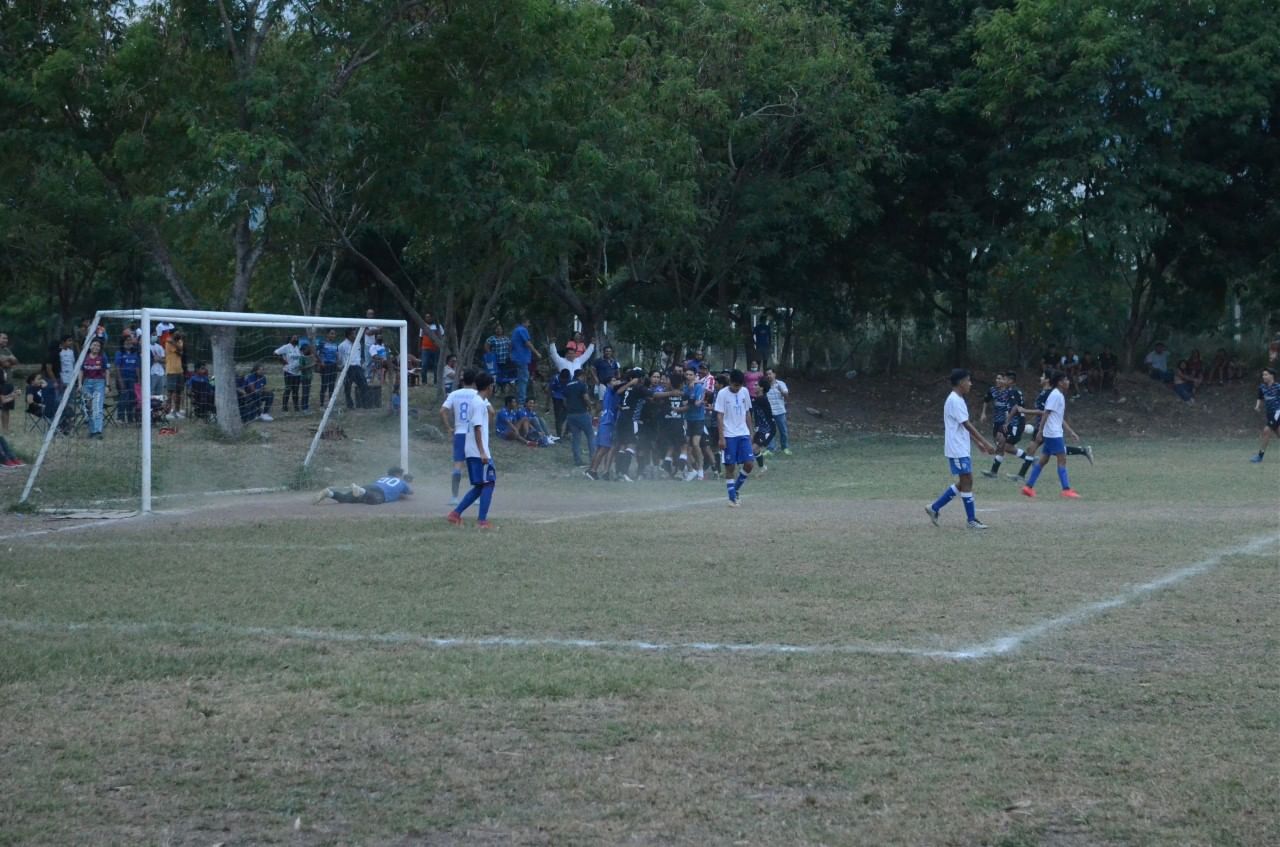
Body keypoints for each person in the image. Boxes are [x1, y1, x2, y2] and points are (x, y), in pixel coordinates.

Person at [925, 369, 996, 530]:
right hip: (956, 448)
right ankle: (970, 520)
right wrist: (985, 443)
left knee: (966, 481)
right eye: (968, 381)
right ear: (960, 383)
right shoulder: (955, 401)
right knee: (967, 480)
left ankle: (934, 508)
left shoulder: (958, 399)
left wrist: (977, 443)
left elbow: (962, 425)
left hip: (961, 447)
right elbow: (967, 424)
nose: (970, 384)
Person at [1017, 371, 1082, 499]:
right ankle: (1066, 489)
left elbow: (1058, 417)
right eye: (1066, 380)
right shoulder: (1055, 395)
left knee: (1043, 460)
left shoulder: (1059, 395)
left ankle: (1028, 487)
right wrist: (1040, 431)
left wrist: (1070, 432)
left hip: (1052, 432)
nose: (1068, 382)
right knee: (1062, 460)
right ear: (1060, 382)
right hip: (1053, 433)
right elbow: (1046, 413)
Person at [447, 372, 497, 529]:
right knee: (489, 483)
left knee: (480, 485)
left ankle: (455, 514)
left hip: (472, 449)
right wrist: (482, 451)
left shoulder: (477, 401)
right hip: (477, 450)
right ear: (489, 387)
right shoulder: (478, 403)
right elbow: (476, 428)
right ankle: (482, 521)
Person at [714, 369, 755, 507]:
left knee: (749, 464)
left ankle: (735, 489)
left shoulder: (744, 392)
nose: (737, 388)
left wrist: (751, 432)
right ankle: (732, 498)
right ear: (730, 382)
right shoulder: (722, 394)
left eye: (739, 386)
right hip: (729, 434)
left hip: (743, 433)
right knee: (730, 466)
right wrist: (721, 438)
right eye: (735, 385)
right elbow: (719, 416)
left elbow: (747, 412)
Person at [440, 369, 479, 504]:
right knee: (474, 464)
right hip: (473, 433)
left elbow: (443, 411)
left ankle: (454, 497)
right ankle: (475, 497)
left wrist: (449, 428)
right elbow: (489, 411)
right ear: (474, 381)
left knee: (458, 465)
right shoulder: (477, 395)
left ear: (462, 380)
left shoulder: (454, 394)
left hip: (459, 433)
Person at [317, 467, 414, 505]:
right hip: (378, 492)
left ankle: (330, 493)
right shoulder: (402, 482)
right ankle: (361, 492)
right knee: (375, 501)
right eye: (400, 474)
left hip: (369, 486)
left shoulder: (383, 478)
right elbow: (409, 493)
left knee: (345, 498)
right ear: (397, 474)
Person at [562, 368, 595, 467]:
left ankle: (578, 461)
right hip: (582, 413)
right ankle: (593, 458)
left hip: (571, 415)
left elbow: (564, 400)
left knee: (576, 438)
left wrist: (569, 409)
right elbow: (585, 398)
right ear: (582, 376)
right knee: (590, 435)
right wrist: (590, 407)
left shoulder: (567, 385)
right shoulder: (582, 385)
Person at [679, 367, 707, 481]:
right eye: (687, 374)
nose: (688, 376)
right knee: (686, 447)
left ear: (695, 376)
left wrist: (691, 397)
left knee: (695, 444)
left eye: (691, 374)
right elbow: (685, 402)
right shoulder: (685, 388)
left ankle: (700, 470)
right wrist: (690, 399)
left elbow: (696, 403)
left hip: (698, 419)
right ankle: (691, 470)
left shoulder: (699, 387)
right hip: (687, 419)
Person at [80, 337, 110, 439]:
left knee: (97, 406)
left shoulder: (103, 357)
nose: (96, 347)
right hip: (87, 383)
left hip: (99, 383)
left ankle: (97, 431)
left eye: (98, 346)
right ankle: (92, 430)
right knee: (88, 407)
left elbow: (106, 371)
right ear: (90, 346)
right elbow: (81, 371)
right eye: (94, 345)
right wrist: (80, 384)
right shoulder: (85, 357)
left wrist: (107, 385)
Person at [1249, 368, 1280, 463]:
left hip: (1278, 412)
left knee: (1266, 431)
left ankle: (1260, 456)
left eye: (1266, 374)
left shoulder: (1278, 387)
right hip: (1269, 413)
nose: (1264, 377)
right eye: (1263, 375)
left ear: (1272, 376)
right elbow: (1260, 397)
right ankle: (1260, 456)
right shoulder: (1262, 387)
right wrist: (1257, 406)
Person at [113, 333, 142, 424]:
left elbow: (137, 367)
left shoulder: (135, 353)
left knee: (132, 398)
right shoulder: (119, 353)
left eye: (130, 340)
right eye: (127, 340)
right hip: (123, 379)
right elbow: (117, 368)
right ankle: (120, 418)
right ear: (123, 342)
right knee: (123, 398)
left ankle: (130, 418)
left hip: (133, 379)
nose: (129, 342)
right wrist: (120, 380)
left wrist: (139, 379)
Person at [337, 328, 368, 409]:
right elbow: (340, 358)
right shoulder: (341, 345)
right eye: (354, 334)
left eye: (355, 333)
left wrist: (362, 365)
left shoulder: (358, 344)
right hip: (348, 368)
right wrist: (341, 366)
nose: (355, 335)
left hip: (358, 367)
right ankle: (350, 405)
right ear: (349, 335)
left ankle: (364, 404)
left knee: (364, 385)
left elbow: (359, 356)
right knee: (347, 387)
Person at [764, 368, 790, 454]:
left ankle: (785, 447)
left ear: (774, 374)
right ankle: (770, 449)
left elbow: (787, 396)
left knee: (783, 430)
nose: (768, 376)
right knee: (769, 431)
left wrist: (781, 390)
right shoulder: (764, 385)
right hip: (769, 413)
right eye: (767, 374)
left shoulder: (781, 384)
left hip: (780, 412)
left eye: (770, 374)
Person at [163, 330, 185, 418]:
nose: (179, 335)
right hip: (171, 370)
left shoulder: (178, 341)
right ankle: (167, 411)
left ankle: (177, 410)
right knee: (170, 392)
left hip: (179, 370)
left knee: (179, 392)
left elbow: (180, 350)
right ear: (173, 334)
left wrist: (174, 343)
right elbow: (178, 351)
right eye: (177, 333)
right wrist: (175, 345)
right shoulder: (168, 342)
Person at [317, 329, 340, 407]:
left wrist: (337, 362)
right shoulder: (322, 343)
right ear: (327, 334)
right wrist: (320, 362)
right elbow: (316, 353)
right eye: (331, 333)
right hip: (325, 366)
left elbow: (336, 354)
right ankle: (321, 405)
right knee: (324, 385)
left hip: (333, 366)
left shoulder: (336, 344)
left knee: (332, 386)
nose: (333, 335)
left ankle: (330, 405)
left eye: (334, 334)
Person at [419, 312, 443, 384]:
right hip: (425, 348)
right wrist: (419, 348)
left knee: (436, 365)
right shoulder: (423, 326)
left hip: (436, 349)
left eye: (429, 317)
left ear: (432, 318)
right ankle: (424, 381)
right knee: (424, 364)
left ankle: (436, 381)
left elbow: (442, 336)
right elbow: (420, 338)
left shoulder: (438, 326)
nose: (428, 318)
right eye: (426, 317)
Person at [0, 332, 17, 433]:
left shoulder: (6, 350)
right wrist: (9, 359)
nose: (5, 340)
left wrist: (7, 359)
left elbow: (16, 361)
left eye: (6, 338)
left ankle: (5, 429)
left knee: (7, 407)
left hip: (8, 382)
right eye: (3, 338)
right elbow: (3, 362)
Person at [548, 368, 568, 438]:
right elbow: (550, 390)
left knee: (568, 414)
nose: (564, 381)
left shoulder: (570, 378)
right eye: (563, 380)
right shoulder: (555, 378)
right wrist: (547, 403)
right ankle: (559, 435)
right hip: (557, 398)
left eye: (566, 380)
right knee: (557, 416)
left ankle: (566, 431)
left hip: (566, 397)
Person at [297, 339, 315, 412]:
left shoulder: (310, 356)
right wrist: (311, 365)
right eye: (307, 349)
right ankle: (304, 407)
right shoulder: (301, 357)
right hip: (304, 378)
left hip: (309, 377)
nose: (308, 350)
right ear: (303, 350)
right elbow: (301, 368)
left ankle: (306, 407)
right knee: (304, 392)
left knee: (307, 392)